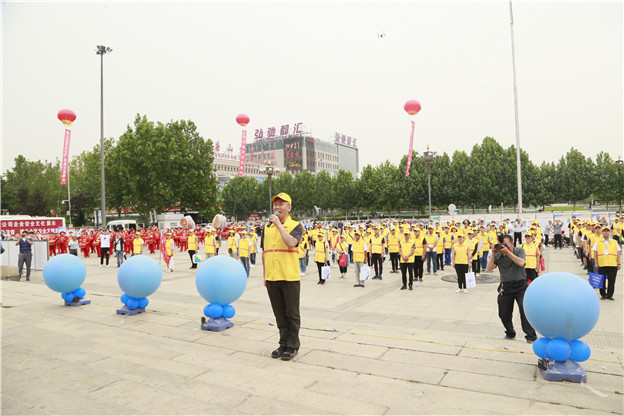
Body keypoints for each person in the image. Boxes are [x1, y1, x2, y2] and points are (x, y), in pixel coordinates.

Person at [262, 192, 304, 361]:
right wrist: (265, 275)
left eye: (281, 204)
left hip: (289, 276)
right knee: (279, 314)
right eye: (275, 204)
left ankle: (293, 346)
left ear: (289, 207)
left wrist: (279, 225)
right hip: (272, 276)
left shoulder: (296, 226)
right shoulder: (267, 228)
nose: (277, 207)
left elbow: (291, 243)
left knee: (291, 314)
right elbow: (264, 252)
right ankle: (283, 343)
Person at [486, 235, 537, 343]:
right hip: (506, 287)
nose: (503, 247)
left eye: (506, 245)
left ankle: (531, 336)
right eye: (501, 245)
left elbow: (521, 263)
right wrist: (494, 253)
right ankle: (510, 332)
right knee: (503, 313)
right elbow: (489, 268)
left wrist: (508, 253)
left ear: (512, 243)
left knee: (524, 310)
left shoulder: (519, 250)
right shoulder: (498, 254)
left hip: (520, 286)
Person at [593, 226, 621, 300]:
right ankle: (603, 294)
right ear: (602, 232)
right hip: (602, 264)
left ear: (610, 232)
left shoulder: (614, 242)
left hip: (613, 264)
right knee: (602, 280)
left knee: (612, 281)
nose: (606, 232)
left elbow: (618, 253)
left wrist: (619, 263)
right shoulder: (598, 242)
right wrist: (596, 263)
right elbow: (595, 253)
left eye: (607, 231)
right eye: (604, 231)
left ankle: (610, 295)